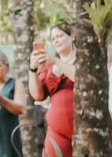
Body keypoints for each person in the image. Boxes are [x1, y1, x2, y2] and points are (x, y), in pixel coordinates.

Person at [29, 23, 76, 157]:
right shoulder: (49, 67)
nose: (56, 40)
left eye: (60, 36)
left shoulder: (83, 60)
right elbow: (37, 95)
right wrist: (32, 69)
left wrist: (56, 61)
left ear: (72, 36)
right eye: (53, 38)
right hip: (57, 131)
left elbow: (79, 77)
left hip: (83, 129)